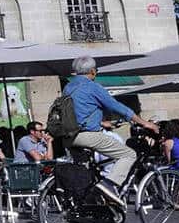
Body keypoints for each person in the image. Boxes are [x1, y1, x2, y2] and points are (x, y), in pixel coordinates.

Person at [65, 56, 158, 205]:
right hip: (87, 135)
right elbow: (117, 106)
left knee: (95, 167)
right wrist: (144, 123)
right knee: (128, 154)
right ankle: (109, 185)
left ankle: (97, 201)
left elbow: (80, 111)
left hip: (68, 137)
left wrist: (102, 122)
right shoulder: (92, 86)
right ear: (92, 71)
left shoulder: (68, 87)